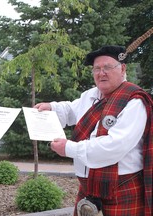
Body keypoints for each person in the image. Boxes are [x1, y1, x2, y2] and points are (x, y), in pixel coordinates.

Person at [34, 45, 153, 216]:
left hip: (121, 189)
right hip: (88, 189)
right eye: (97, 68)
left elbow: (114, 146)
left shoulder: (134, 102)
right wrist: (51, 108)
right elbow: (71, 110)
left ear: (123, 69)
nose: (101, 73)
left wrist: (69, 148)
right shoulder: (90, 95)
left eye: (107, 67)